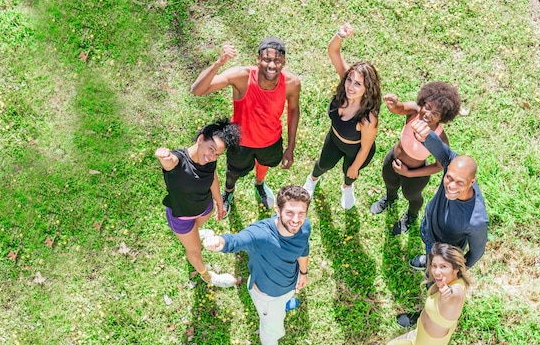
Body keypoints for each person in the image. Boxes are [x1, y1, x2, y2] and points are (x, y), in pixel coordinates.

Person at [203, 185, 311, 345]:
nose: (296, 220)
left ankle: (284, 304)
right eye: (289, 213)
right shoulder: (261, 234)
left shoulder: (304, 227)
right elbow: (237, 240)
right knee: (272, 331)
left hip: (289, 284)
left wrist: (303, 272)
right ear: (277, 211)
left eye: (301, 213)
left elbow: (303, 249)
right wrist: (220, 242)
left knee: (285, 299)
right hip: (267, 296)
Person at [190, 37, 301, 215]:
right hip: (240, 142)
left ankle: (259, 184)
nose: (271, 65)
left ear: (284, 62)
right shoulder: (241, 77)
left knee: (264, 164)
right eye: (266, 60)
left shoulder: (291, 84)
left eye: (277, 61)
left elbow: (294, 110)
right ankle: (228, 192)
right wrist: (219, 63)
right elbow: (197, 90)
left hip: (270, 140)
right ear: (258, 59)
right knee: (233, 172)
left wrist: (291, 145)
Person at [302, 23, 381, 209]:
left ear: (367, 89)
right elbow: (333, 51)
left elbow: (365, 147)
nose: (350, 87)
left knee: (349, 173)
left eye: (358, 84)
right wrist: (340, 35)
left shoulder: (368, 118)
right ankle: (312, 180)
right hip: (334, 140)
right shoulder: (344, 91)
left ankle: (346, 187)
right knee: (322, 164)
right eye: (349, 80)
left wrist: (354, 168)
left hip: (356, 150)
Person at [155, 120, 240, 288]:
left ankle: (194, 234)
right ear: (201, 139)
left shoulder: (209, 161)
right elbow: (170, 161)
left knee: (195, 233)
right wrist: (163, 156)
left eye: (217, 155)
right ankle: (207, 276)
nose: (212, 157)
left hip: (203, 210)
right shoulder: (179, 162)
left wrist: (219, 202)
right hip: (182, 219)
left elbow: (212, 176)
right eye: (211, 150)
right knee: (194, 251)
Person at [371, 82, 461, 236]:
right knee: (390, 183)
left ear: (442, 117)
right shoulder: (414, 112)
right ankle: (390, 198)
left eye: (435, 113)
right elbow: (399, 108)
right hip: (394, 159)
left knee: (412, 196)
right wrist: (392, 104)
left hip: (416, 173)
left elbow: (439, 166)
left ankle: (411, 216)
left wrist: (409, 174)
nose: (428, 114)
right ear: (422, 102)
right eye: (427, 107)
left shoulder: (440, 138)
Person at [379, 243, 470, 345]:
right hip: (429, 336)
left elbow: (454, 295)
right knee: (415, 343)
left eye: (443, 266)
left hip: (426, 341)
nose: (437, 271)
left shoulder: (454, 291)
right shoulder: (455, 280)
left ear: (456, 268)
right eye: (434, 266)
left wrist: (448, 293)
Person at [407, 119, 488, 271]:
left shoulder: (476, 220)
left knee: (432, 280)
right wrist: (426, 135)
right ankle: (427, 258)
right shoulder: (453, 165)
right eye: (449, 177)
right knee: (427, 246)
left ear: (472, 182)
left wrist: (455, 271)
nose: (451, 186)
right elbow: (440, 149)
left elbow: (476, 252)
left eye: (460, 183)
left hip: (444, 251)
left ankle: (431, 266)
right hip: (429, 225)